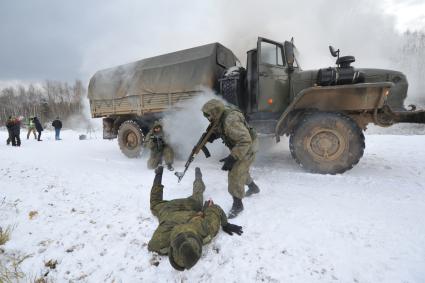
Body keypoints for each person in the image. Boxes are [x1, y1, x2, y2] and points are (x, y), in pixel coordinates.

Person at [148, 166, 243, 271]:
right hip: (175, 208)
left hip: (173, 208)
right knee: (155, 203)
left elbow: (215, 209)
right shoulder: (160, 240)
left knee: (197, 192)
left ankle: (194, 173)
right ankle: (164, 174)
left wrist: (222, 222)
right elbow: (153, 247)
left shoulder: (207, 230)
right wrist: (221, 221)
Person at [201, 99, 260, 219]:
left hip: (248, 147)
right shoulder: (221, 114)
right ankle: (254, 188)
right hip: (241, 145)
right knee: (242, 169)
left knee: (235, 173)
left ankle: (238, 205)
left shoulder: (230, 120)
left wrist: (232, 157)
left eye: (209, 116)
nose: (208, 119)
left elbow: (245, 140)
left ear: (215, 112)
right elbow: (221, 128)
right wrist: (212, 136)